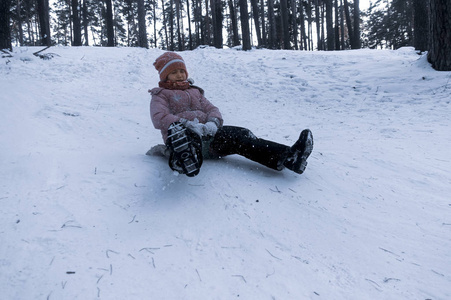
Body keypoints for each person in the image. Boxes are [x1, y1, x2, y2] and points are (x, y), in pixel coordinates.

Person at [149, 52, 313, 177]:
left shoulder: (195, 92)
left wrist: (213, 123)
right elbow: (159, 118)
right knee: (182, 135)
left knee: (241, 135)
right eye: (174, 72)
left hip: (210, 139)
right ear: (165, 76)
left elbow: (212, 109)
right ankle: (185, 158)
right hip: (187, 137)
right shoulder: (161, 94)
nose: (180, 75)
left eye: (181, 71)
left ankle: (289, 157)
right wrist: (187, 124)